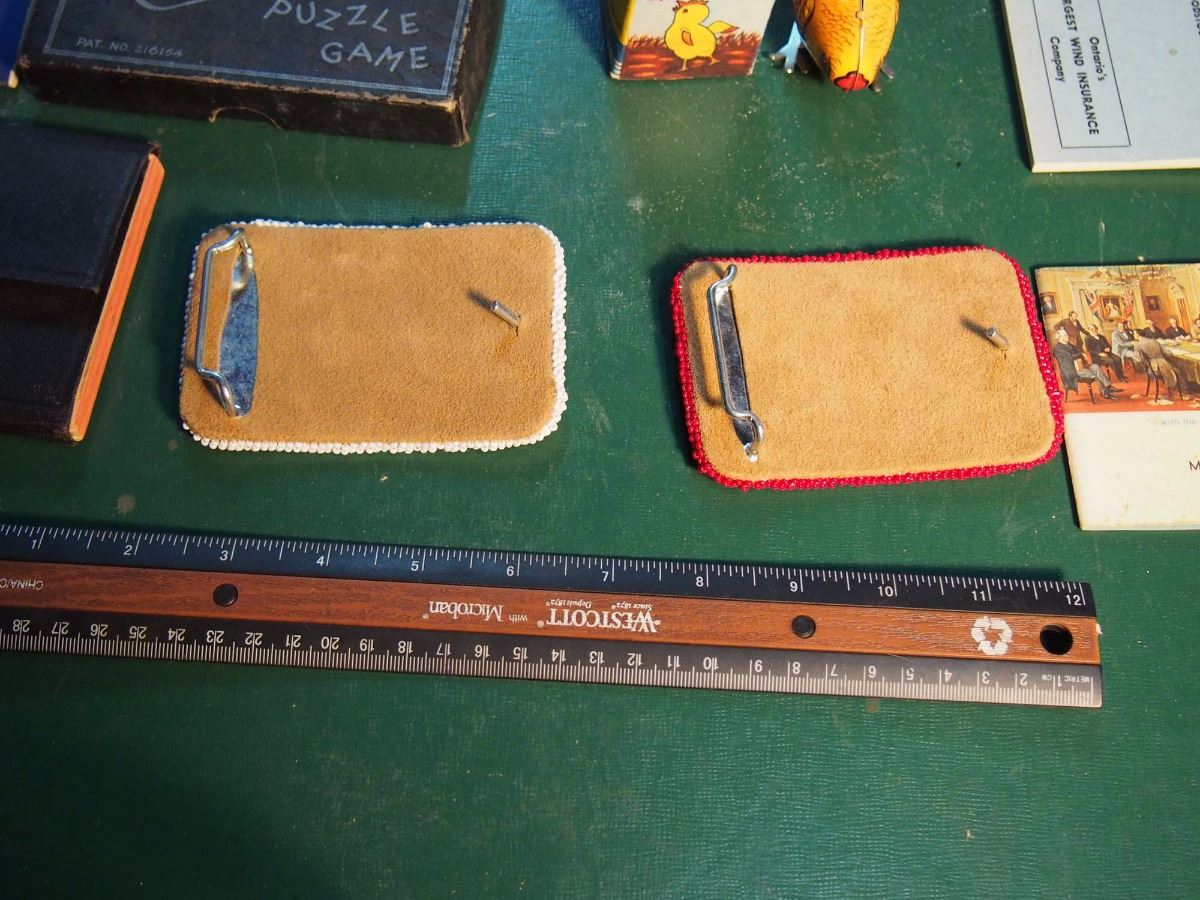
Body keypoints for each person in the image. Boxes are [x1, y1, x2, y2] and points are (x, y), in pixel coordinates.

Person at [1052, 331, 1120, 399]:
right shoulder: (1058, 348)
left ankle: (1108, 386)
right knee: (1093, 373)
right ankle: (1105, 393)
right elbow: (1069, 358)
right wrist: (1080, 355)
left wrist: (1081, 355)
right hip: (1071, 371)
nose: (1068, 336)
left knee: (1095, 367)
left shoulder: (1070, 345)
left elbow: (1079, 352)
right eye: (1065, 335)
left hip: (1079, 366)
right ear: (1060, 337)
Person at [1134, 330, 1186, 397]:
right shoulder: (1154, 341)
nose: (1133, 335)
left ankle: (1179, 389)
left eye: (1134, 334)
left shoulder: (1137, 345)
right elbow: (1168, 353)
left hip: (1153, 367)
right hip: (1162, 364)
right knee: (1177, 369)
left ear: (1138, 334)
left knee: (1174, 369)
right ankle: (1183, 389)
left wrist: (1145, 366)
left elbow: (1138, 359)